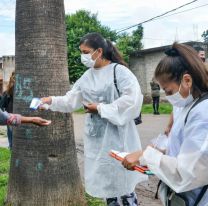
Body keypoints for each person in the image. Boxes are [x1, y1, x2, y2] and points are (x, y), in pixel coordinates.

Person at [40, 32, 147, 206]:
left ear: (98, 51)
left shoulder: (119, 72)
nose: (83, 56)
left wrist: (100, 108)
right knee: (108, 187)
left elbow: (132, 100)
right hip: (97, 140)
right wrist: (50, 101)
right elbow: (70, 99)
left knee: (124, 186)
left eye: (85, 51)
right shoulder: (87, 76)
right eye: (81, 52)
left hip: (119, 138)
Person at [122, 42, 208, 206]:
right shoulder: (188, 104)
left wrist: (146, 156)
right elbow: (180, 143)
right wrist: (155, 151)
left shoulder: (203, 113)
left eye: (168, 91)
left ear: (187, 80)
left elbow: (188, 172)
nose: (168, 97)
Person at [0, 72, 15, 149]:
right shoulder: (7, 93)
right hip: (10, 118)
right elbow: (1, 106)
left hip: (19, 117)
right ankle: (11, 147)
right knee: (11, 137)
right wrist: (5, 115)